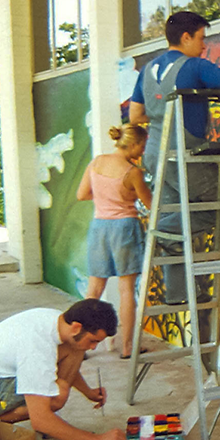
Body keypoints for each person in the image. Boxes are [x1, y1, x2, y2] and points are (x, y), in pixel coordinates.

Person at [128, 10, 220, 305]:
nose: (204, 46)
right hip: (185, 156)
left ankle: (178, 294)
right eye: (201, 38)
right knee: (218, 206)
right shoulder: (194, 65)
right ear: (186, 37)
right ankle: (158, 231)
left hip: (156, 155)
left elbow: (135, 115)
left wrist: (162, 110)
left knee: (174, 214)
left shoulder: (148, 69)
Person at [0, 299, 130, 440]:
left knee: (76, 347)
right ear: (76, 327)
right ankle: (4, 418)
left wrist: (88, 392)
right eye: (94, 340)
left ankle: (25, 416)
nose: (94, 347)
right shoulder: (37, 348)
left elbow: (67, 357)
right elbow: (40, 420)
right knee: (58, 395)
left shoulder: (56, 321)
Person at [76, 123, 151, 358]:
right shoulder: (133, 172)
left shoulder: (97, 162)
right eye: (143, 146)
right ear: (135, 144)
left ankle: (81, 344)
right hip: (125, 228)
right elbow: (151, 205)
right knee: (126, 290)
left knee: (94, 290)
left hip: (99, 227)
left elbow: (82, 194)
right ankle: (127, 347)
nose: (143, 151)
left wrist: (104, 199)